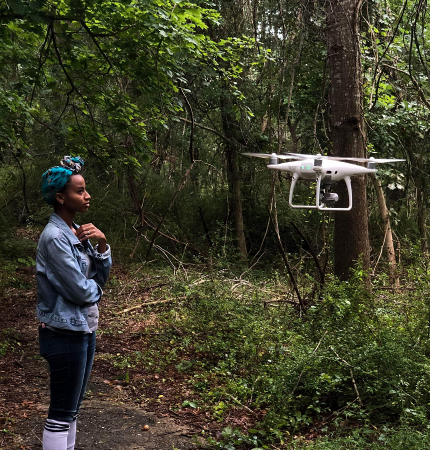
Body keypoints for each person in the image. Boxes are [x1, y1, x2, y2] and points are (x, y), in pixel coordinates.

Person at [36, 156, 112, 450]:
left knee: (72, 408)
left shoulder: (77, 231)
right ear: (60, 197)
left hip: (83, 328)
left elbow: (97, 277)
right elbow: (81, 291)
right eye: (79, 191)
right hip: (63, 332)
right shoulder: (55, 237)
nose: (87, 195)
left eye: (85, 189)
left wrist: (102, 245)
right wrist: (95, 289)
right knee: (61, 412)